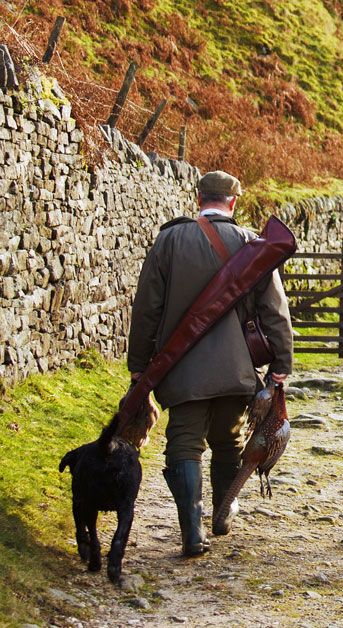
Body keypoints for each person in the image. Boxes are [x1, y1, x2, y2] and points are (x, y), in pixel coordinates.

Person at [127, 170, 293, 557]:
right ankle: (223, 512)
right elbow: (275, 311)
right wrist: (281, 364)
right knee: (228, 441)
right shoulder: (252, 243)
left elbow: (147, 307)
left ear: (197, 196)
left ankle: (191, 532)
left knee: (184, 445)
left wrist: (140, 366)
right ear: (234, 201)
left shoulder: (169, 240)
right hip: (237, 370)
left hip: (181, 369)